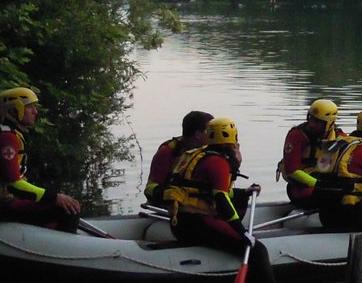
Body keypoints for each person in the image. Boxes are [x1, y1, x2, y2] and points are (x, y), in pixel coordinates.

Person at [0, 86, 82, 230]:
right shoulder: (7, 139)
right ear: (15, 109)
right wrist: (55, 197)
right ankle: (62, 248)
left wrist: (53, 196)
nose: (35, 112)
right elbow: (14, 185)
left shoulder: (1, 133)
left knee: (58, 200)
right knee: (69, 210)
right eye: (30, 107)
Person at [164, 117, 262, 251]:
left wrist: (244, 192)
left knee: (238, 202)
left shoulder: (197, 155)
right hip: (198, 223)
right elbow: (221, 198)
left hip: (179, 222)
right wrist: (241, 231)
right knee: (258, 250)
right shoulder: (218, 162)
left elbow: (207, 191)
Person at [277, 98, 340, 205]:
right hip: (299, 189)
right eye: (311, 119)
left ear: (330, 123)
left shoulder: (339, 137)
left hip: (324, 185)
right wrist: (319, 185)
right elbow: (292, 171)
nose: (312, 124)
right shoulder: (296, 136)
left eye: (318, 122)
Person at [144, 110, 212, 206]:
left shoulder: (210, 151)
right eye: (210, 131)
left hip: (197, 206)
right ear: (198, 134)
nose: (215, 135)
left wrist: (235, 161)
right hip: (168, 208)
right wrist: (168, 194)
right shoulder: (168, 152)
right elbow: (149, 189)